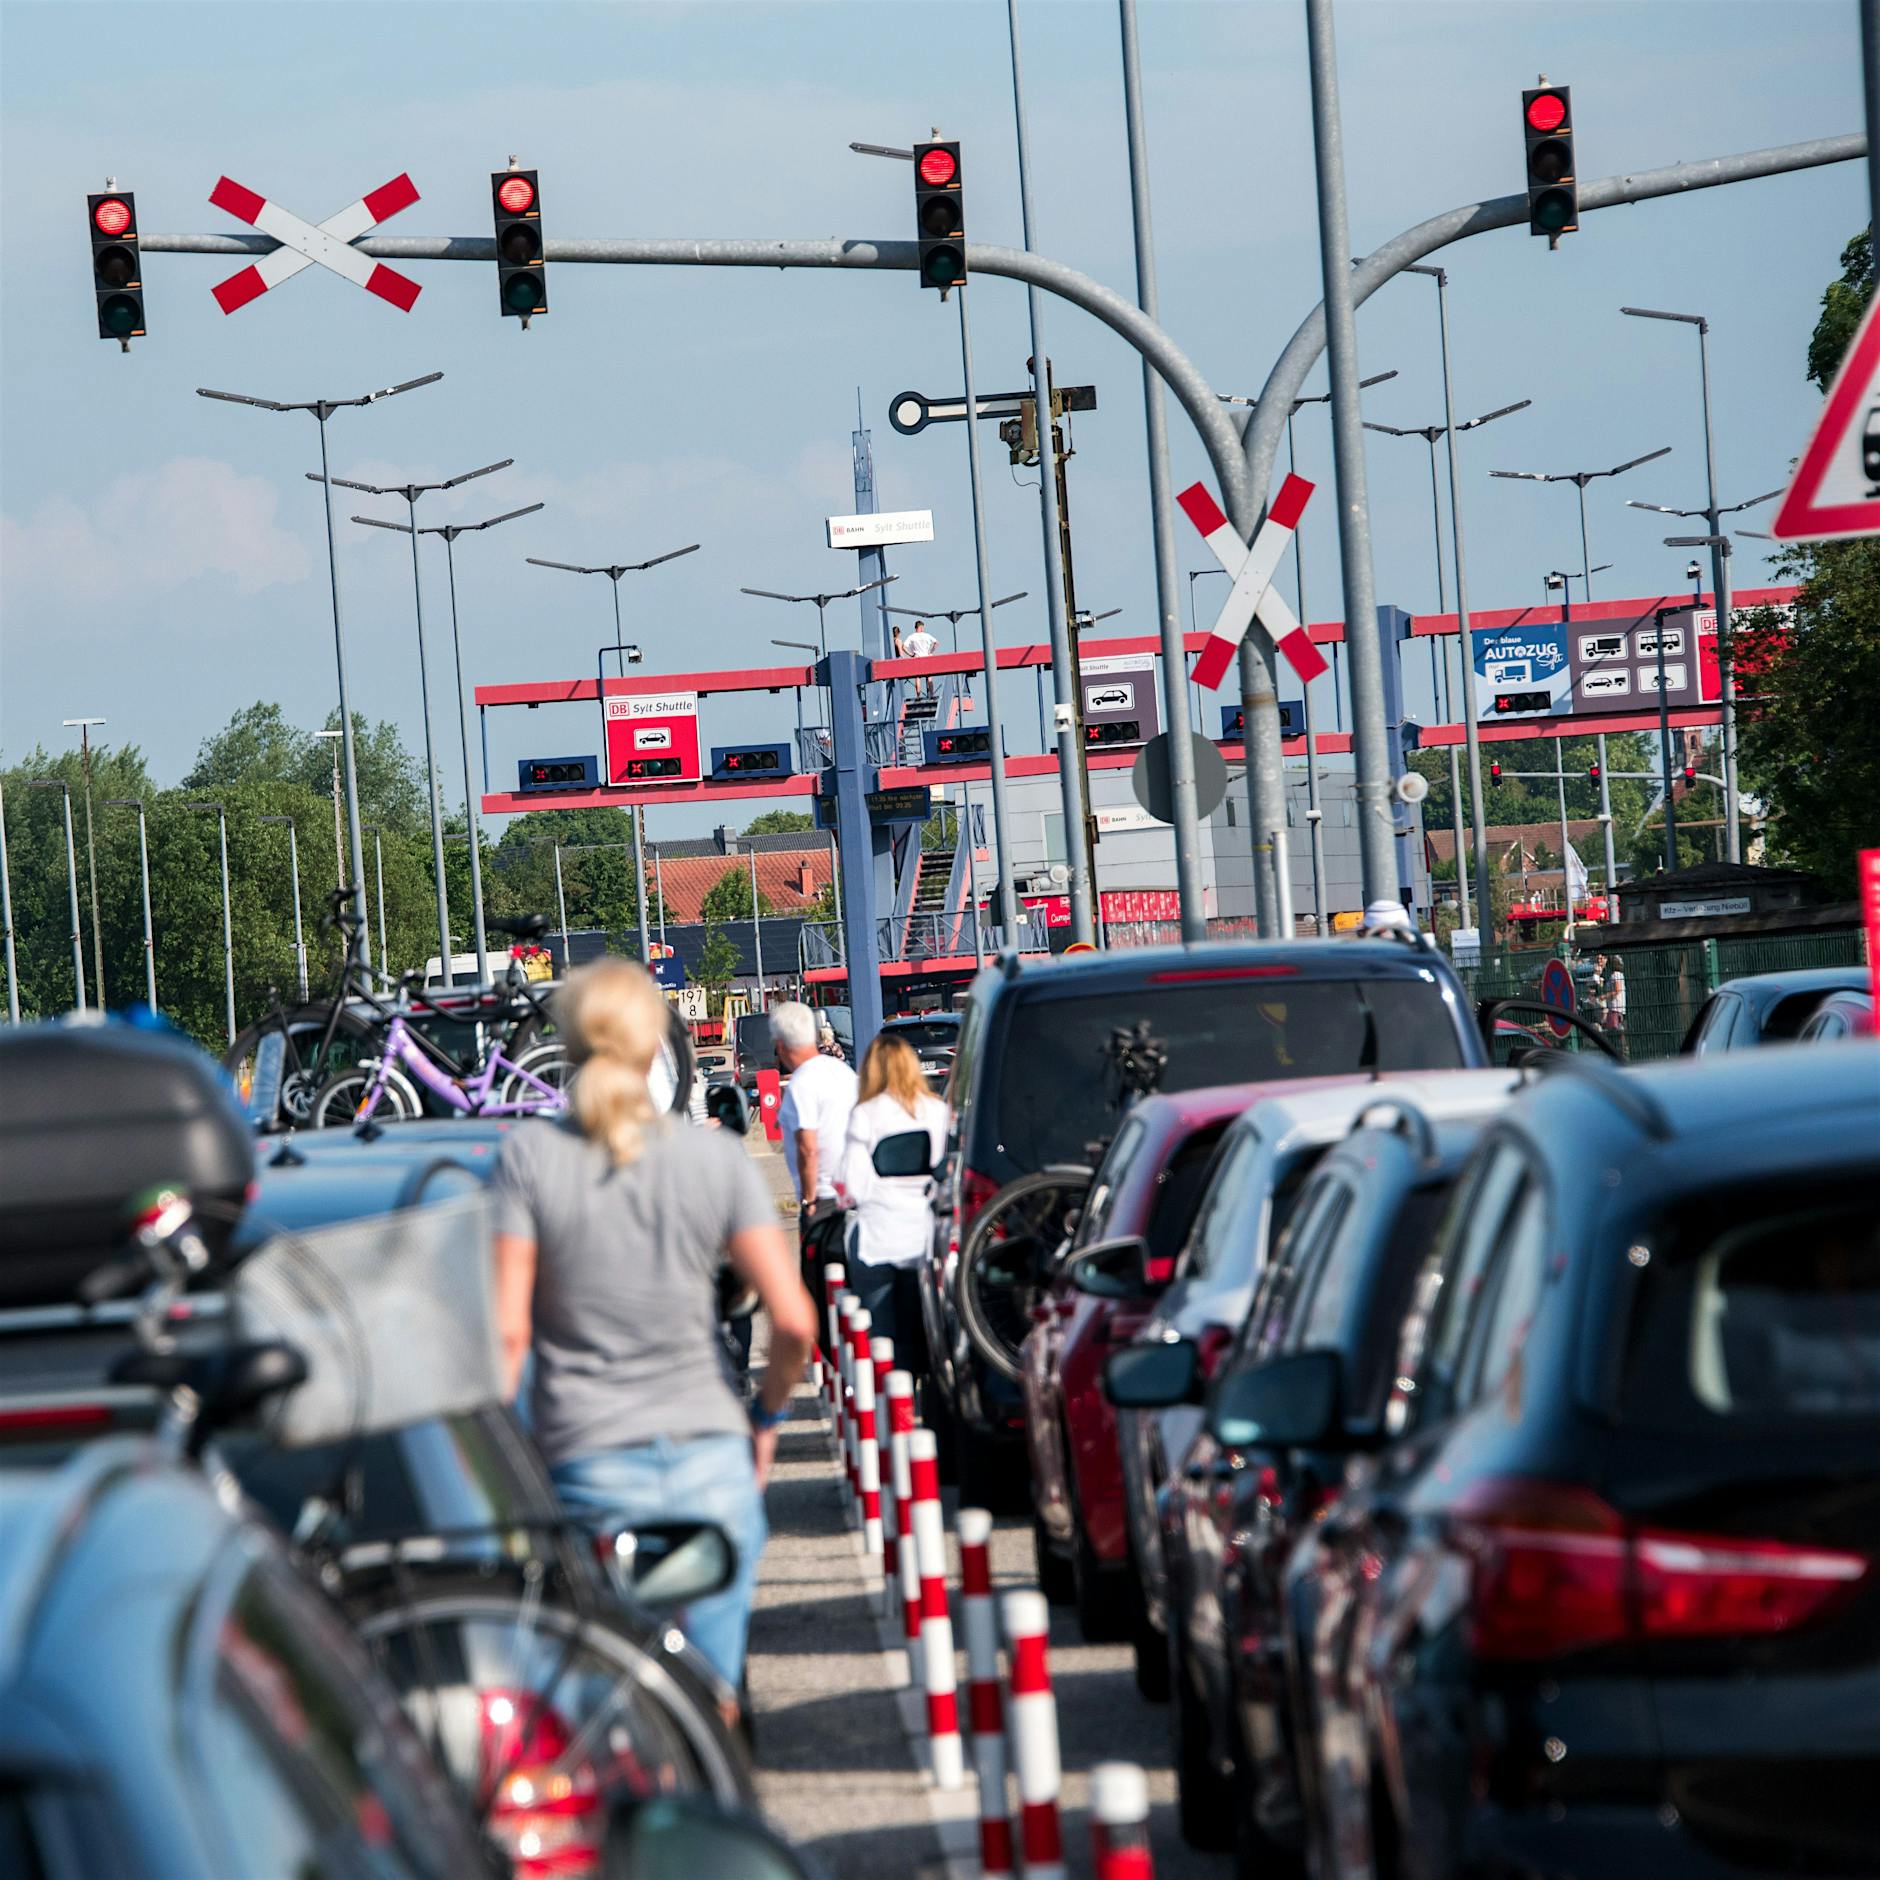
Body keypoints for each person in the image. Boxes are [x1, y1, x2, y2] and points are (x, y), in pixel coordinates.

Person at [491, 959, 817, 1693]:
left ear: (569, 1044)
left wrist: (506, 1472)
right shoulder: (713, 1159)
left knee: (610, 1700)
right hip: (711, 1466)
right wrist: (764, 1420)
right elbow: (794, 1320)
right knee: (711, 1698)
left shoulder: (529, 1160)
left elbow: (508, 1337)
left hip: (589, 1468)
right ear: (656, 1046)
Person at [836, 1033, 947, 1351]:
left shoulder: (866, 1113)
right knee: (924, 1334)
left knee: (881, 1336)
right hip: (925, 1239)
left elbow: (853, 1186)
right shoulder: (937, 1110)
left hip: (878, 1236)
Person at [772, 1001, 857, 1212]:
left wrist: (809, 1200)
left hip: (824, 1198)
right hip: (855, 1190)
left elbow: (808, 1148)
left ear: (780, 1045)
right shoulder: (843, 1072)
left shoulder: (801, 1083)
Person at [897, 619, 939, 697]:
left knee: (918, 677)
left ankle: (918, 696)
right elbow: (936, 643)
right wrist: (931, 651)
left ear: (916, 627)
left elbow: (903, 647)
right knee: (929, 677)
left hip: (917, 658)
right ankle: (932, 694)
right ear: (921, 627)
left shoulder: (912, 636)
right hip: (927, 657)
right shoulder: (927, 635)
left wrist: (911, 655)